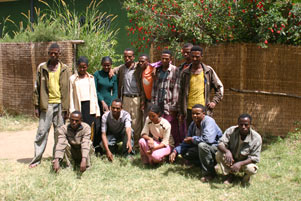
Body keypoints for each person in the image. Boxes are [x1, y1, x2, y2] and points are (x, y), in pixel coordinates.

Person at [30, 43, 71, 168]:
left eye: (55, 53)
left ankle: (57, 158)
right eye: (50, 53)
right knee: (42, 132)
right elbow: (36, 88)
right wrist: (36, 106)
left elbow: (68, 89)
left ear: (59, 54)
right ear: (48, 54)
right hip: (46, 104)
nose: (53, 55)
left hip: (60, 105)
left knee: (59, 133)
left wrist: (67, 108)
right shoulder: (42, 68)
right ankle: (36, 159)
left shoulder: (65, 69)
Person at [169, 104, 222, 182]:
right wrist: (175, 151)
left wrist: (193, 139)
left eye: (197, 114)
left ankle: (210, 173)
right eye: (193, 113)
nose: (194, 116)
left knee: (202, 145)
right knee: (186, 153)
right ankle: (203, 165)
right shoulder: (193, 124)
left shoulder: (209, 121)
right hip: (204, 148)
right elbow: (187, 141)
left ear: (203, 114)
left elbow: (208, 140)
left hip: (216, 148)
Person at [178, 45, 224, 128]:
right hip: (189, 110)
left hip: (203, 109)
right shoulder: (185, 73)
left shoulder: (207, 72)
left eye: (197, 57)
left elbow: (219, 89)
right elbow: (180, 93)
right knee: (191, 133)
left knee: (205, 131)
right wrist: (181, 112)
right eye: (193, 57)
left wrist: (214, 102)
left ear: (202, 56)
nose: (195, 59)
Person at [216, 114, 262, 185]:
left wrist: (240, 163)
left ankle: (245, 177)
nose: (243, 127)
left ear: (250, 125)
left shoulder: (256, 138)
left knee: (251, 169)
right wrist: (227, 151)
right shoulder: (231, 130)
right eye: (241, 124)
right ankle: (230, 175)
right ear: (238, 124)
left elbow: (255, 158)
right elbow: (220, 143)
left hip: (245, 162)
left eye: (246, 125)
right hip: (231, 159)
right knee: (218, 154)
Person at [114, 48, 145, 150]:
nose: (127, 58)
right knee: (126, 122)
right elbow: (113, 69)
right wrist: (110, 70)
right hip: (125, 98)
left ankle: (136, 146)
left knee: (136, 123)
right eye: (125, 57)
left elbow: (150, 65)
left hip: (136, 98)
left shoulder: (138, 68)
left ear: (133, 57)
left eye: (129, 57)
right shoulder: (122, 68)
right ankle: (127, 144)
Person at [151, 50, 181, 146]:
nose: (164, 60)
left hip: (169, 106)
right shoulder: (158, 71)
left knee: (173, 128)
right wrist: (154, 105)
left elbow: (176, 90)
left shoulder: (175, 70)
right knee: (160, 128)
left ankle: (175, 149)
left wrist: (174, 107)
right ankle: (162, 148)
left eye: (166, 59)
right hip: (158, 105)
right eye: (162, 58)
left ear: (171, 59)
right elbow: (154, 88)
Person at [94, 56, 118, 151]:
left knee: (108, 126)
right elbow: (95, 90)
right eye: (104, 65)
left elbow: (115, 91)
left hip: (109, 105)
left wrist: (111, 104)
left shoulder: (113, 76)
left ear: (111, 65)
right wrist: (102, 102)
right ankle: (97, 146)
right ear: (101, 65)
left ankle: (108, 145)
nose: (106, 67)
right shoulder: (97, 74)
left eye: (108, 65)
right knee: (98, 125)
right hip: (98, 103)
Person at [69, 56, 100, 126]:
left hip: (89, 106)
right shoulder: (72, 79)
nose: (82, 69)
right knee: (79, 126)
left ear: (87, 66)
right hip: (78, 105)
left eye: (84, 67)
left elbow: (94, 95)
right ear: (77, 66)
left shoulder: (91, 78)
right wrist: (71, 110)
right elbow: (71, 96)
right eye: (80, 67)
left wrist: (97, 110)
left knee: (90, 127)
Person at [138, 54, 154, 121]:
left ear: (147, 61)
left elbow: (160, 63)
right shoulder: (142, 71)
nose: (140, 63)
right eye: (139, 61)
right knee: (147, 121)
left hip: (154, 101)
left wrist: (155, 67)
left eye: (142, 61)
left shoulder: (152, 68)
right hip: (147, 101)